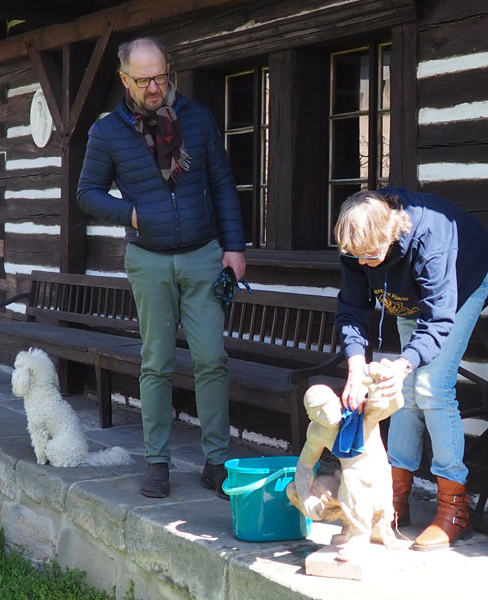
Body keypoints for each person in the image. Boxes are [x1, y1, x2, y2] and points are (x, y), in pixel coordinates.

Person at [77, 36, 246, 499]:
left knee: (211, 359)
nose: (155, 87)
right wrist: (131, 214)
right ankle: (158, 462)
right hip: (148, 259)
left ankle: (216, 462)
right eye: (144, 79)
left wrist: (234, 246)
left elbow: (223, 183)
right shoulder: (107, 132)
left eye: (161, 76)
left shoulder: (197, 118)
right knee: (157, 362)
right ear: (124, 79)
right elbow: (87, 193)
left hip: (204, 255)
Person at [333, 186, 488, 550]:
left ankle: (455, 507)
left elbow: (437, 319)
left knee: (431, 387)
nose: (363, 264)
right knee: (401, 390)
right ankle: (395, 497)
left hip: (461, 279)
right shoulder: (359, 246)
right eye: (355, 257)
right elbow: (352, 310)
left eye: (370, 256)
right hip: (408, 295)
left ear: (390, 235)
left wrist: (405, 363)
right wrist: (356, 367)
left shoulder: (430, 239)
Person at [286, 366, 403, 562]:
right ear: (311, 417)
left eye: (327, 405)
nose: (325, 413)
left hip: (375, 481)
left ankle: (360, 537)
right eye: (318, 412)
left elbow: (391, 405)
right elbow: (305, 465)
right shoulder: (317, 431)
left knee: (351, 475)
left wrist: (376, 386)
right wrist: (307, 497)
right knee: (294, 489)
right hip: (349, 483)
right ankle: (350, 526)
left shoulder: (357, 414)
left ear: (336, 400)